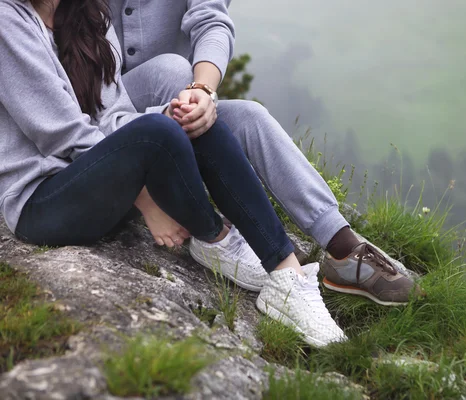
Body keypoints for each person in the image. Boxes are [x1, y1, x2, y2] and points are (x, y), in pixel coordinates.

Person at [0, 0, 349, 347]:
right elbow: (61, 133)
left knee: (192, 115)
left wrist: (174, 117)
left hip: (98, 188)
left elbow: (113, 116)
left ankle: (286, 274)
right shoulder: (6, 20)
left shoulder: (89, 11)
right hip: (43, 201)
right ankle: (214, 236)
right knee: (161, 128)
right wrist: (146, 198)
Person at [107, 0, 422, 306]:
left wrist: (202, 90)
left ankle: (343, 246)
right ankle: (207, 222)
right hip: (105, 113)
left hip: (173, 107)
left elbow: (211, 21)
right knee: (171, 68)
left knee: (250, 116)